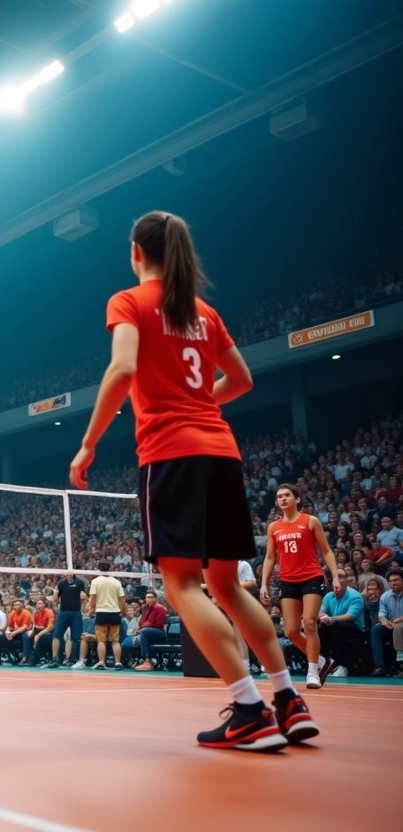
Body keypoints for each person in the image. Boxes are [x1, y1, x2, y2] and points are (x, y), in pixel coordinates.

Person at [69, 210, 311, 752]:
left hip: (171, 455)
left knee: (182, 586)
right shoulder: (204, 312)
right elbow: (242, 380)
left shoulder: (129, 301)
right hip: (222, 453)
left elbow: (123, 369)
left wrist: (88, 443)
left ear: (136, 251)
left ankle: (249, 709)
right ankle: (287, 699)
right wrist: (199, 401)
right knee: (225, 584)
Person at [260, 483, 340, 689]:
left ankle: (312, 671)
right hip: (287, 580)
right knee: (292, 632)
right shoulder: (273, 527)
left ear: (297, 499)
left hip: (311, 577)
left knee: (310, 623)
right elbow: (270, 557)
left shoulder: (310, 521)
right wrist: (264, 584)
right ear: (277, 503)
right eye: (279, 497)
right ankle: (323, 662)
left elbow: (327, 551)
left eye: (287, 495)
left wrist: (335, 576)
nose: (283, 499)